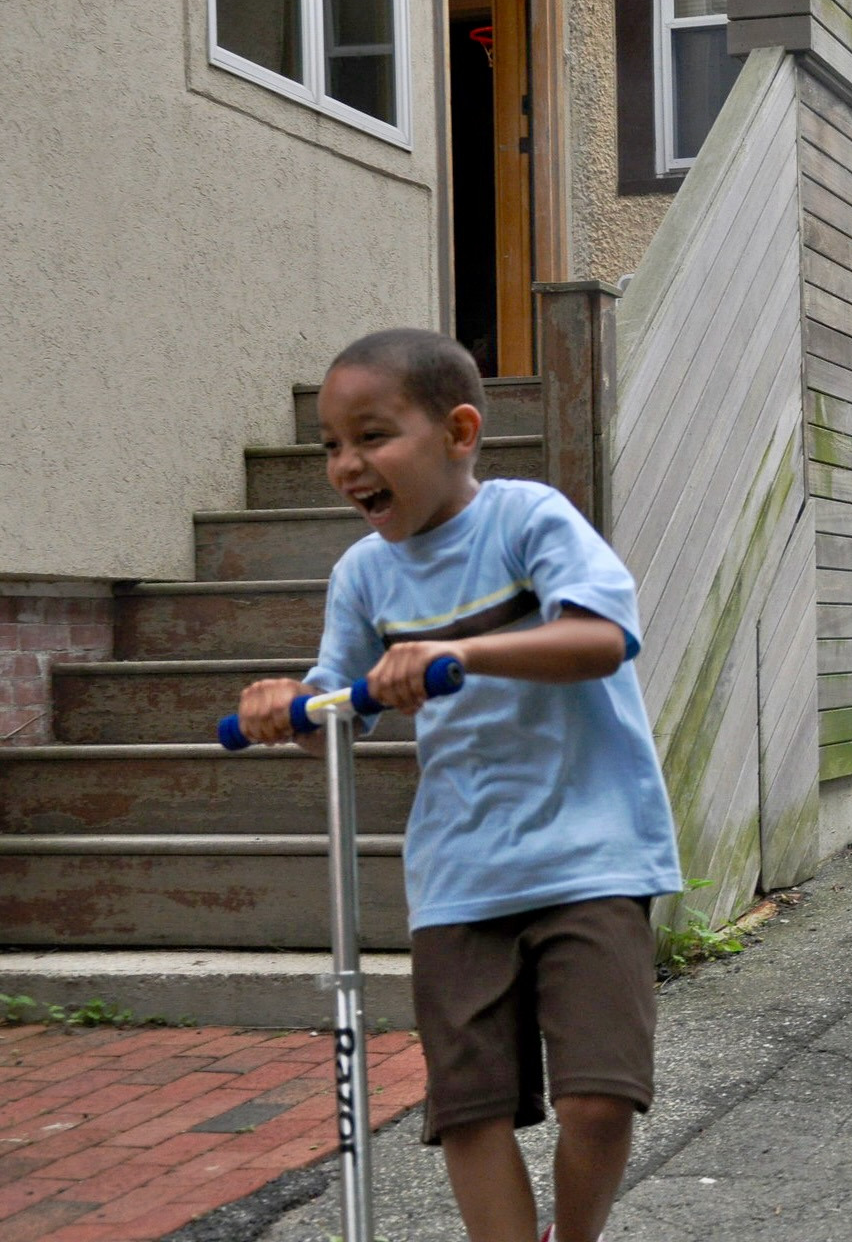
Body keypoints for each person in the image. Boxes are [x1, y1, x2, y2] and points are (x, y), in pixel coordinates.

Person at [237, 328, 682, 1242]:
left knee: (599, 1098)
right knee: (470, 1111)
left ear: (459, 431)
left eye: (371, 436)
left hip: (591, 852)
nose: (347, 464)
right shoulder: (363, 575)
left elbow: (601, 639)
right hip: (460, 876)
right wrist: (287, 706)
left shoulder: (527, 519)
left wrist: (460, 653)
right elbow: (337, 707)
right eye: (330, 446)